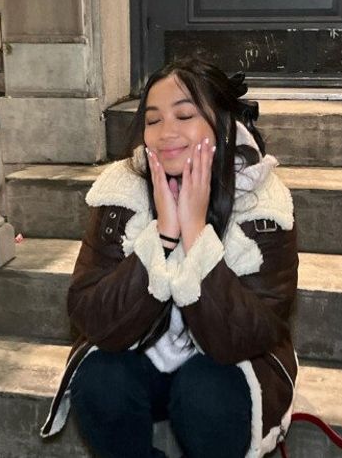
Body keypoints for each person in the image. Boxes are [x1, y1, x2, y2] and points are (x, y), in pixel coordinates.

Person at [41, 59, 298, 458]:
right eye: (153, 120)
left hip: (227, 366)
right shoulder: (122, 191)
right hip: (146, 353)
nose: (165, 133)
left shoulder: (262, 203)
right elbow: (90, 313)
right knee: (99, 381)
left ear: (223, 124)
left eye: (184, 115)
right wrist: (161, 235)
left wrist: (196, 235)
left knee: (205, 392)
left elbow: (250, 335)